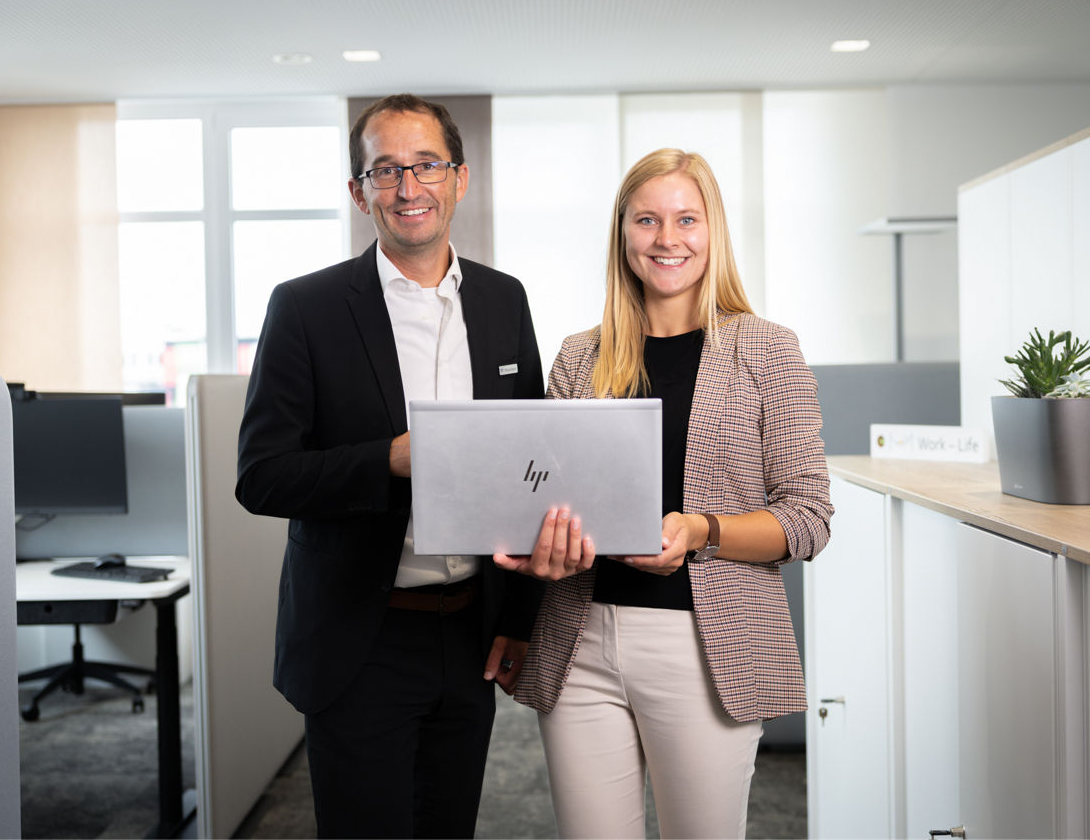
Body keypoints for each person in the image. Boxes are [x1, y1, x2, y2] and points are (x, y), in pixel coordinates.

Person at [497, 148, 834, 838]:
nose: (667, 238)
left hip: (705, 648)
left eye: (686, 218)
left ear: (714, 232)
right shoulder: (579, 356)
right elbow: (544, 498)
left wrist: (701, 530)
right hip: (579, 640)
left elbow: (808, 517)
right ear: (623, 234)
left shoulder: (767, 351)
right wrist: (539, 549)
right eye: (646, 220)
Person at [236, 94, 544, 839]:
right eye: (386, 170)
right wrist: (390, 460)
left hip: (469, 631)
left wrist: (520, 621)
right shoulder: (305, 308)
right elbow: (262, 475)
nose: (409, 188)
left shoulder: (505, 302)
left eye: (427, 165)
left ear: (460, 178)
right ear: (358, 191)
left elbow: (533, 467)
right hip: (359, 636)